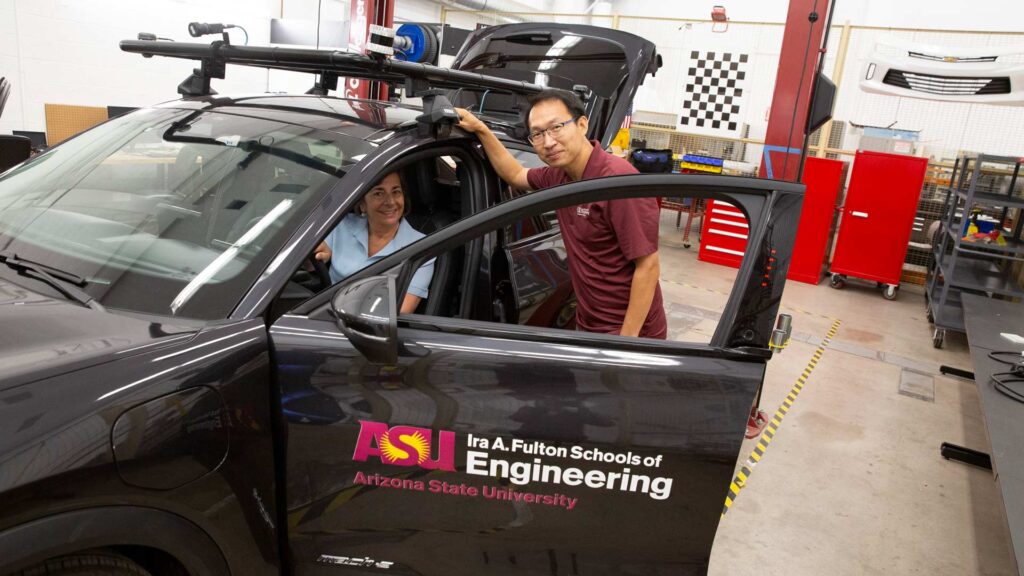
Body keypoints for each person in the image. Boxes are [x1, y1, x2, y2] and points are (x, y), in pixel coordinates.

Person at [456, 90, 667, 339]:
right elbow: (515, 175)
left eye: (556, 127)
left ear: (582, 124)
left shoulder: (618, 182)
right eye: (538, 133)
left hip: (630, 332)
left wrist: (626, 342)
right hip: (589, 323)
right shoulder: (560, 176)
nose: (548, 142)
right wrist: (481, 129)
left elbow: (648, 266)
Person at [315, 171, 434, 314]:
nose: (390, 202)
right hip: (322, 315)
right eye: (379, 193)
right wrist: (316, 255)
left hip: (369, 327)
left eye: (396, 192)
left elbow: (402, 310)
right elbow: (315, 259)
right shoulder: (342, 225)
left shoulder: (422, 247)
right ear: (363, 204)